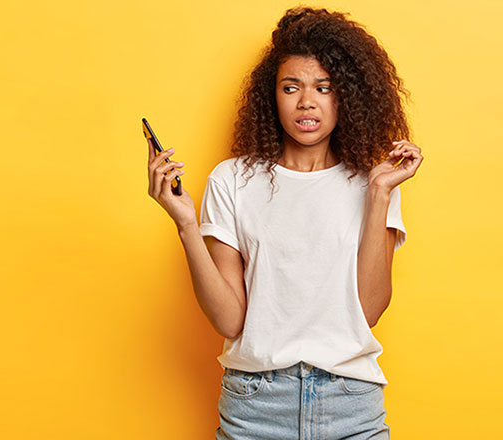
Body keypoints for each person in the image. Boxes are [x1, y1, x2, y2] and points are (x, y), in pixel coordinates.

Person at [146, 6, 424, 440]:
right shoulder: (233, 180)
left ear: (346, 95)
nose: (306, 101)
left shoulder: (373, 183)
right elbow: (230, 320)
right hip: (255, 405)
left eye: (323, 87)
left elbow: (368, 310)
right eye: (290, 87)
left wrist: (379, 194)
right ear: (270, 96)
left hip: (349, 403)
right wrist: (185, 223)